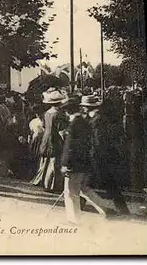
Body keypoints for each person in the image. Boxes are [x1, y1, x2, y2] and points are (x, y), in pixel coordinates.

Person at [61, 96, 109, 225]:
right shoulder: (84, 122)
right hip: (84, 161)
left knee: (71, 192)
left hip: (74, 163)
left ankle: (73, 219)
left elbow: (70, 147)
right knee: (83, 189)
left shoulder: (74, 124)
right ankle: (105, 208)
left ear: (67, 111)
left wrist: (66, 164)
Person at [83, 95, 130, 215]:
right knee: (90, 183)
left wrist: (91, 153)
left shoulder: (97, 120)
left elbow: (98, 141)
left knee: (106, 183)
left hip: (99, 156)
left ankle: (122, 209)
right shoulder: (97, 118)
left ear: (87, 107)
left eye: (84, 107)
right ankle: (122, 208)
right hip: (100, 155)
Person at [31, 88, 68, 193]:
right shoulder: (59, 114)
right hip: (55, 140)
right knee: (55, 163)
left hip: (46, 139)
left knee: (47, 162)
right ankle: (52, 185)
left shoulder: (47, 113)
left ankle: (46, 183)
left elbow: (43, 125)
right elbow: (61, 130)